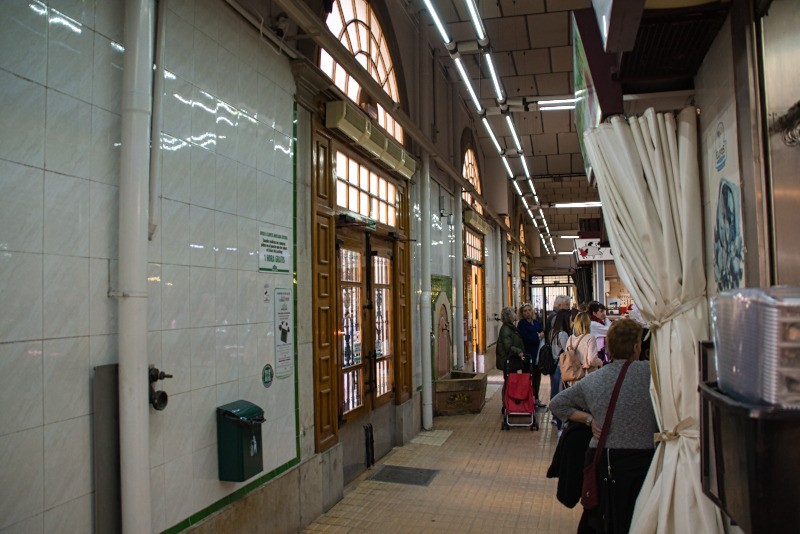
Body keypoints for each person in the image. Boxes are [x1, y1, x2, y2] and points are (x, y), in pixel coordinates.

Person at [550, 318, 658, 534]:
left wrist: (589, 420)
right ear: (637, 347)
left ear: (608, 348)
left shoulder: (594, 380)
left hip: (606, 462)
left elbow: (557, 404)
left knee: (605, 520)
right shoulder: (653, 375)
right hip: (645, 461)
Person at [496, 306, 525, 415]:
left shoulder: (511, 327)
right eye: (513, 313)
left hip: (511, 359)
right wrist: (518, 351)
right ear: (509, 316)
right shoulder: (506, 329)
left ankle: (510, 403)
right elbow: (508, 346)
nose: (515, 315)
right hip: (507, 360)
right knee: (508, 381)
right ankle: (506, 404)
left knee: (510, 380)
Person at [548, 308, 572, 435]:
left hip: (554, 364)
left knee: (554, 391)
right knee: (560, 392)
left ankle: (554, 416)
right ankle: (560, 423)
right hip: (560, 366)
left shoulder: (553, 332)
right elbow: (567, 351)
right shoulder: (563, 334)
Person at [562, 312, 602, 387]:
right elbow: (592, 360)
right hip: (587, 378)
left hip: (573, 378)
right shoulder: (590, 338)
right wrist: (600, 362)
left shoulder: (570, 338)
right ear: (588, 323)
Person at [517, 303, 545, 407]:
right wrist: (538, 336)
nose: (528, 312)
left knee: (537, 377)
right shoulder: (522, 324)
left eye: (529, 310)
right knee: (528, 378)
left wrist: (538, 335)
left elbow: (542, 331)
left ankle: (536, 398)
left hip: (538, 355)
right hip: (528, 355)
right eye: (525, 311)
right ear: (522, 313)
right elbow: (527, 338)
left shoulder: (536, 322)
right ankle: (528, 399)